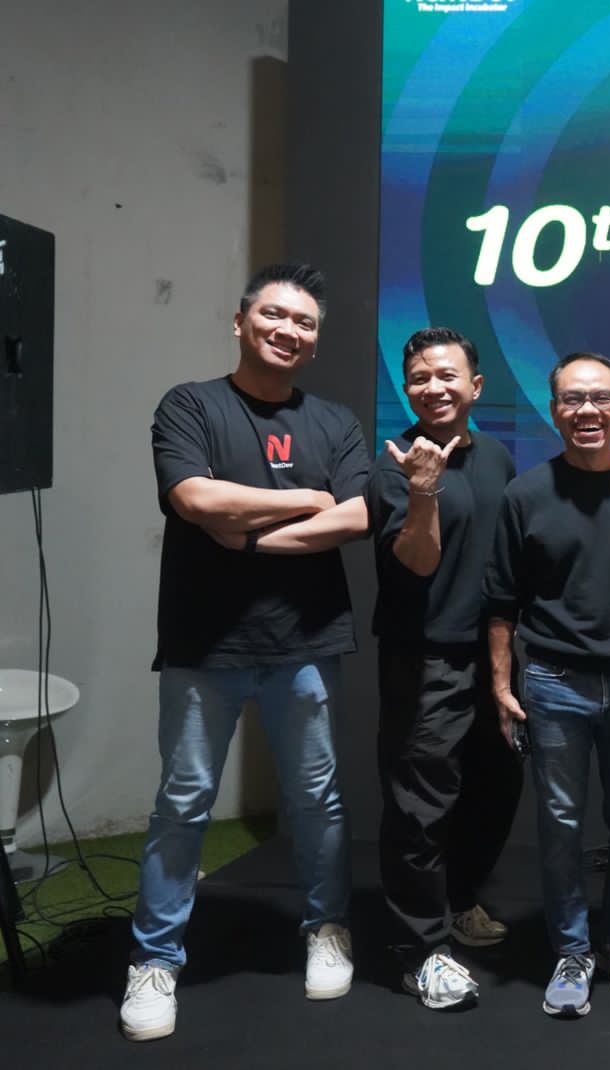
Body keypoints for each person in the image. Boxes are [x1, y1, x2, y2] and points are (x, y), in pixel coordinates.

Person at [121, 264, 372, 1042]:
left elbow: (360, 514)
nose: (289, 330)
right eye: (275, 315)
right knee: (184, 802)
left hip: (306, 642)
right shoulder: (191, 405)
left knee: (317, 800)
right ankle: (154, 960)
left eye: (304, 323)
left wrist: (246, 536)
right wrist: (305, 500)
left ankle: (326, 927)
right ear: (240, 322)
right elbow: (195, 498)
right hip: (206, 643)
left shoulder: (334, 422)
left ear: (315, 340)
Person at [483, 352, 610, 1019]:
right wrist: (502, 683)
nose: (587, 411)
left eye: (600, 398)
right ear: (555, 411)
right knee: (561, 825)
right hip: (553, 686)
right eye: (573, 399)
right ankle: (571, 950)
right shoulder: (525, 495)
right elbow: (501, 599)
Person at [368, 327, 523, 1010]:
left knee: (495, 787)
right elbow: (418, 563)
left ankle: (458, 902)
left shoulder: (497, 459)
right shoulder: (395, 465)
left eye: (447, 375)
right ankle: (419, 951)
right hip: (425, 656)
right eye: (420, 378)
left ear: (475, 387)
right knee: (420, 808)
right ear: (408, 390)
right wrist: (423, 490)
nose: (433, 387)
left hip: (492, 655)